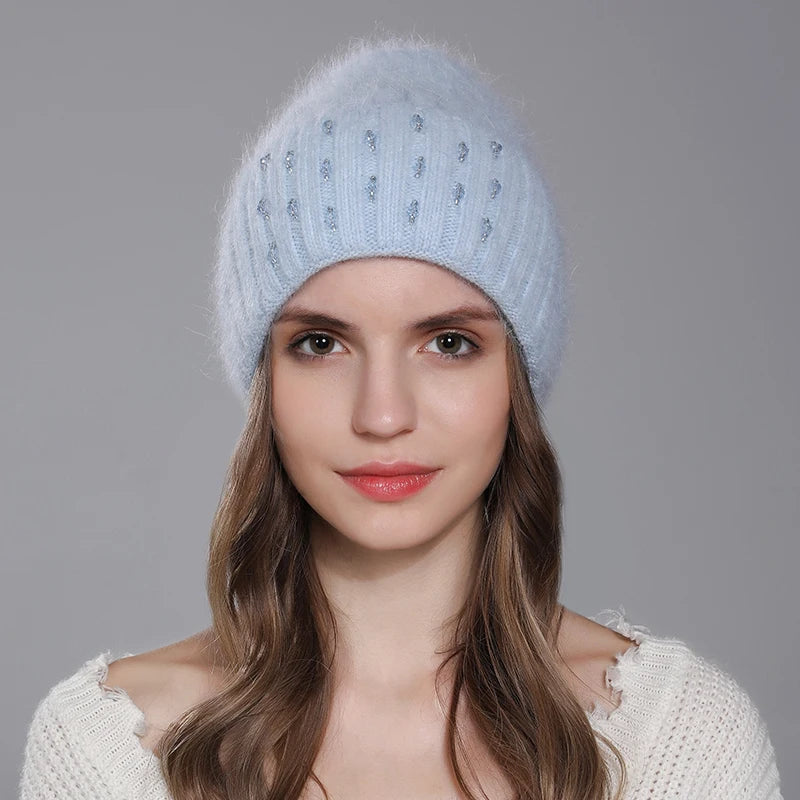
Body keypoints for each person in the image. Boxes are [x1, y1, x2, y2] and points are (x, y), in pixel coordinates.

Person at [19, 33, 783, 800]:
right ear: (265, 384)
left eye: (449, 343)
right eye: (321, 343)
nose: (383, 416)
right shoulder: (114, 754)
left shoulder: (678, 742)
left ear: (516, 376)